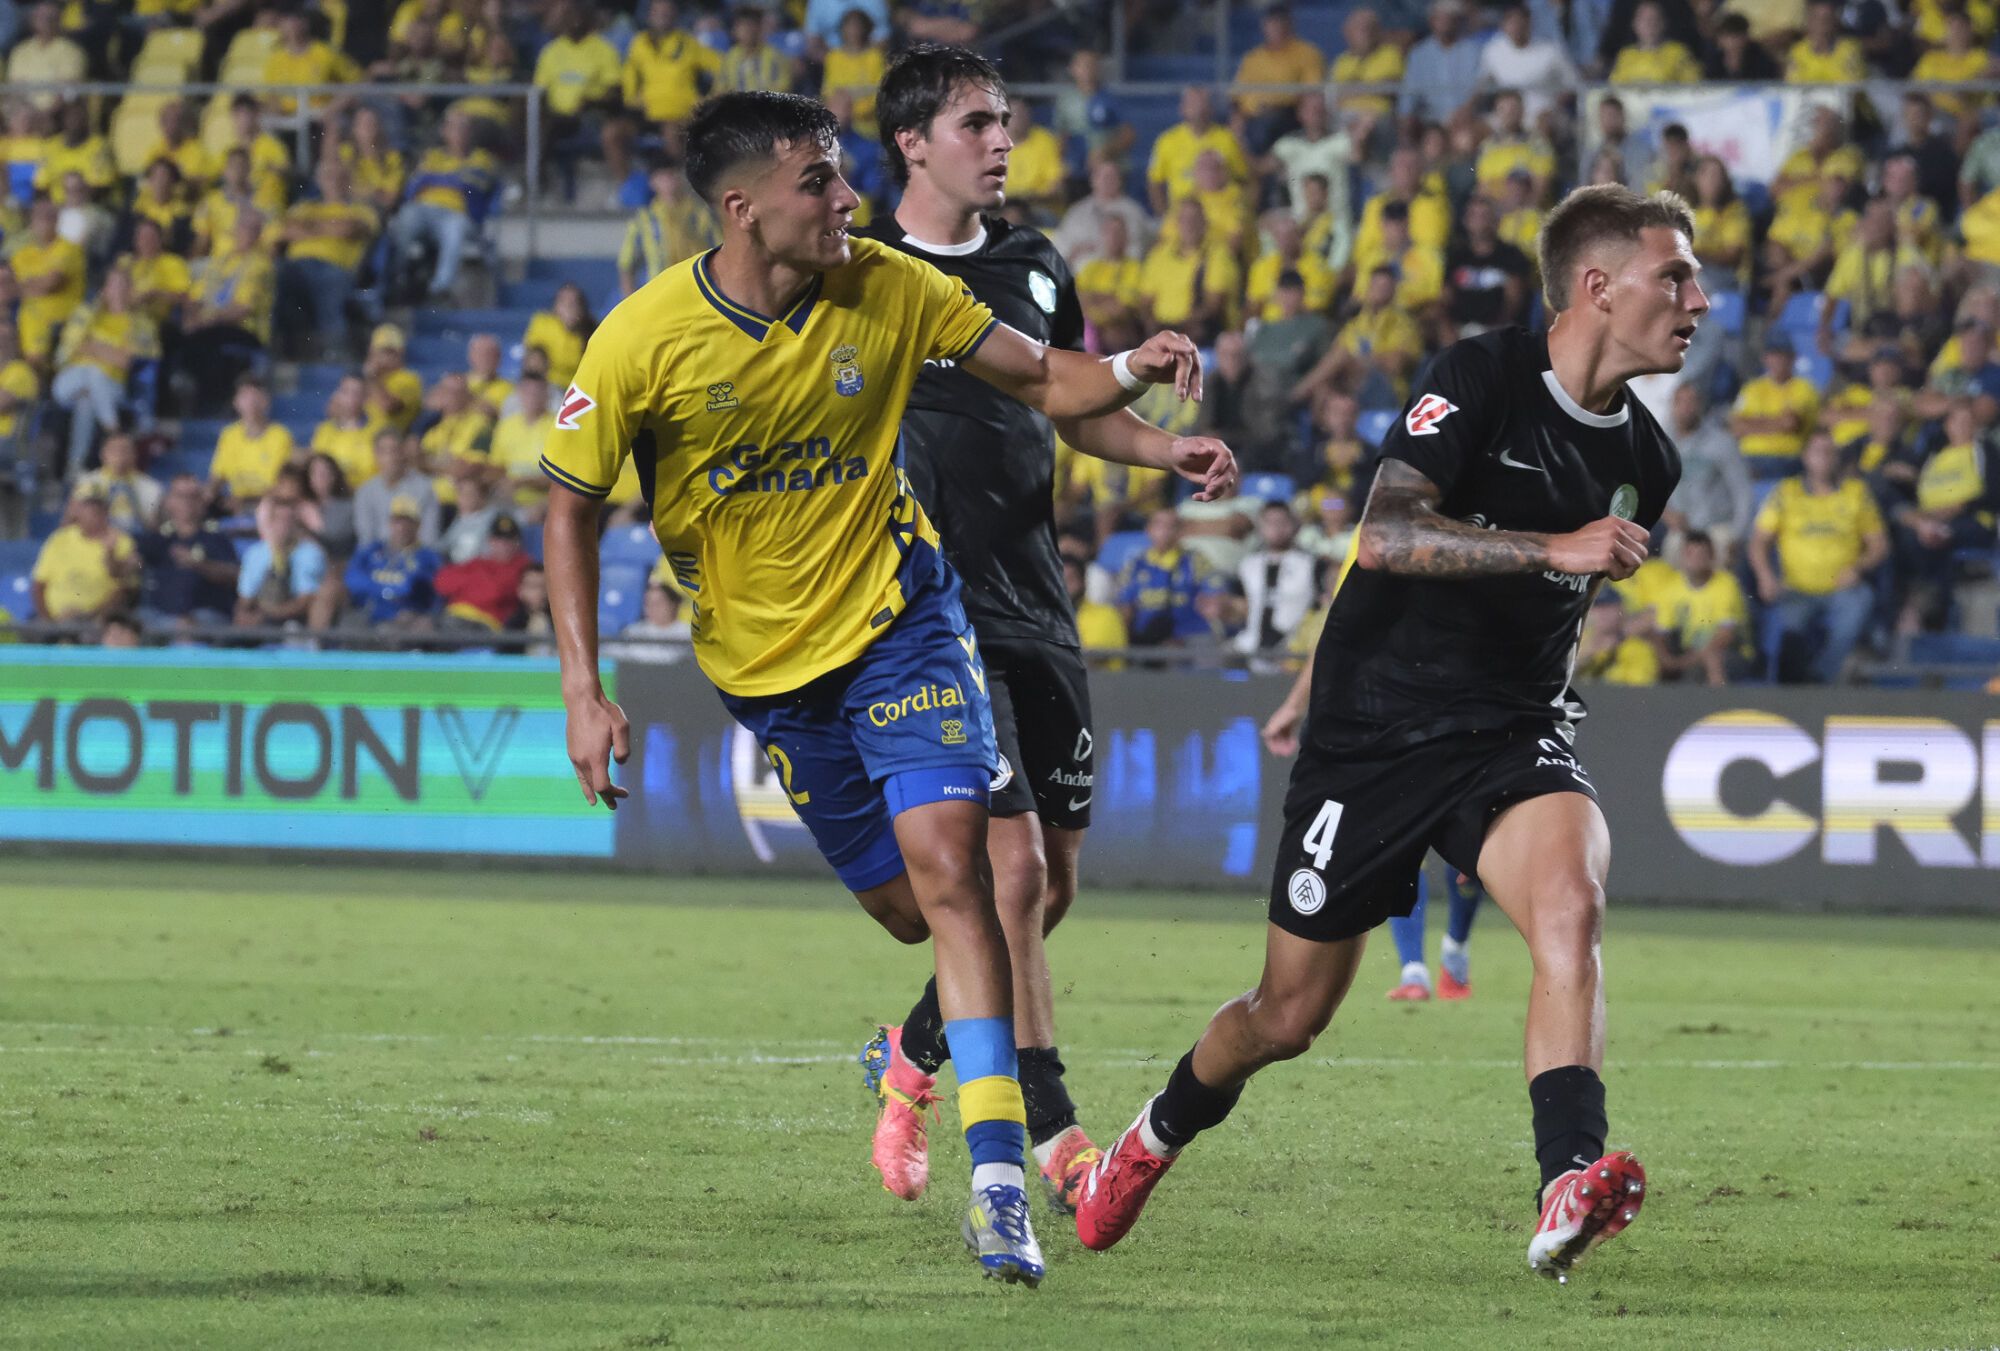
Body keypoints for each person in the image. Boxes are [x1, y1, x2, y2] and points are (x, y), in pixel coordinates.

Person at [541, 90, 1229, 1287]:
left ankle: (1001, 1188)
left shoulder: (888, 286)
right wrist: (580, 684)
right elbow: (568, 504)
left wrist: (1129, 367)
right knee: (912, 909)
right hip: (767, 670)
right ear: (740, 205)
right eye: (818, 182)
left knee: (971, 874)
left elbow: (1040, 380)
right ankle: (910, 1059)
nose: (846, 200)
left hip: (905, 621)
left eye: (845, 175)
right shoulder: (640, 340)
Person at [1076, 184, 1705, 1283]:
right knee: (1284, 1013)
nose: (1696, 298)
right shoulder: (1480, 375)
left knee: (1570, 904)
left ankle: (1567, 1178)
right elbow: (1385, 535)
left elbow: (1555, 606)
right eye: (1675, 275)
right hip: (1371, 734)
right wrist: (1546, 546)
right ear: (1598, 286)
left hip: (1508, 733)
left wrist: (1554, 642)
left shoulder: (1647, 460)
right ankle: (1151, 1135)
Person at [854, 43, 1241, 1221]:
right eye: (976, 122)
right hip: (933, 613)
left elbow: (1068, 405)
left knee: (1047, 887)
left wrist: (1159, 444)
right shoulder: (859, 269)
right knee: (1008, 872)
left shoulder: (1031, 262)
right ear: (912, 142)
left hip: (1038, 602)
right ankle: (1054, 1128)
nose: (1002, 139)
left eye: (1005, 120)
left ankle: (911, 1053)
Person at [136, 474, 239, 634]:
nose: (187, 502)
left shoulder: (216, 537)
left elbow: (234, 574)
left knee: (187, 628)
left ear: (202, 502)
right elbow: (132, 563)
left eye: (193, 497)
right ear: (169, 501)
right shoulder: (160, 539)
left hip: (204, 617)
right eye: (180, 496)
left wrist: (199, 565)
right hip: (157, 616)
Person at [32, 483, 139, 625]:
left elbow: (125, 589)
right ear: (78, 511)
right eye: (87, 507)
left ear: (106, 511)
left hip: (96, 622)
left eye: (97, 508)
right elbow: (39, 584)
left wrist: (89, 619)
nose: (92, 513)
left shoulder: (121, 541)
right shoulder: (59, 538)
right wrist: (49, 622)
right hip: (54, 620)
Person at [234, 490, 335, 635]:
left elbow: (305, 601)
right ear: (269, 522)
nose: (283, 526)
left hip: (295, 620)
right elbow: (245, 597)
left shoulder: (310, 553)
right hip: (260, 618)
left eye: (288, 520)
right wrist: (244, 617)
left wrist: (268, 615)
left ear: (295, 523)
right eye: (278, 520)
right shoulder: (255, 553)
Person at [343, 495, 440, 631]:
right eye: (397, 522)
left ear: (418, 526)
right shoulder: (372, 550)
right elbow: (352, 579)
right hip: (369, 614)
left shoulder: (427, 557)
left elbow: (415, 588)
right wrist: (385, 590)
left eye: (408, 522)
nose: (402, 527)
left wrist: (379, 587)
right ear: (390, 523)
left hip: (407, 619)